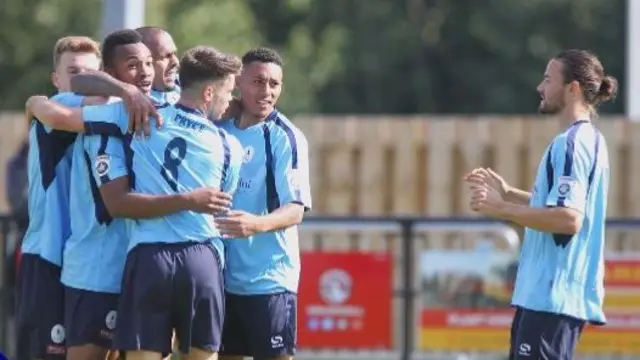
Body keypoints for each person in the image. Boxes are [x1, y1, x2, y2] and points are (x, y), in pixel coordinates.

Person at [28, 45, 244, 360]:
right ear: (209, 93)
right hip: (202, 257)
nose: (230, 102)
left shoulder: (140, 114)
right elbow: (221, 204)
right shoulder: (229, 145)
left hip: (149, 256)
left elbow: (60, 113)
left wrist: (34, 104)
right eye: (228, 92)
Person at [464, 49, 615, 360]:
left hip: (552, 297)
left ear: (572, 88)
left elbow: (567, 219)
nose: (540, 87)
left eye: (548, 79)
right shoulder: (590, 140)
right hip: (547, 298)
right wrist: (509, 193)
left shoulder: (570, 144)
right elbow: (562, 206)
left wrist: (499, 209)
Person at [216, 48, 312, 360]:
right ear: (238, 82)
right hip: (223, 279)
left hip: (269, 280)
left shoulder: (286, 137)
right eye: (258, 81)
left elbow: (296, 208)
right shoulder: (217, 128)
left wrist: (255, 224)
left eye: (274, 84)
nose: (267, 91)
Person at [16, 35, 102, 360]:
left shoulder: (98, 116)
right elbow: (46, 110)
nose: (82, 81)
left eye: (90, 73)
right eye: (74, 72)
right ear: (57, 79)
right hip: (49, 258)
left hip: (88, 262)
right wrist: (34, 102)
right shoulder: (55, 111)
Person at [136, 26, 181, 105]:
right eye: (166, 56)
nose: (176, 62)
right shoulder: (124, 106)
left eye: (174, 53)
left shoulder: (184, 87)